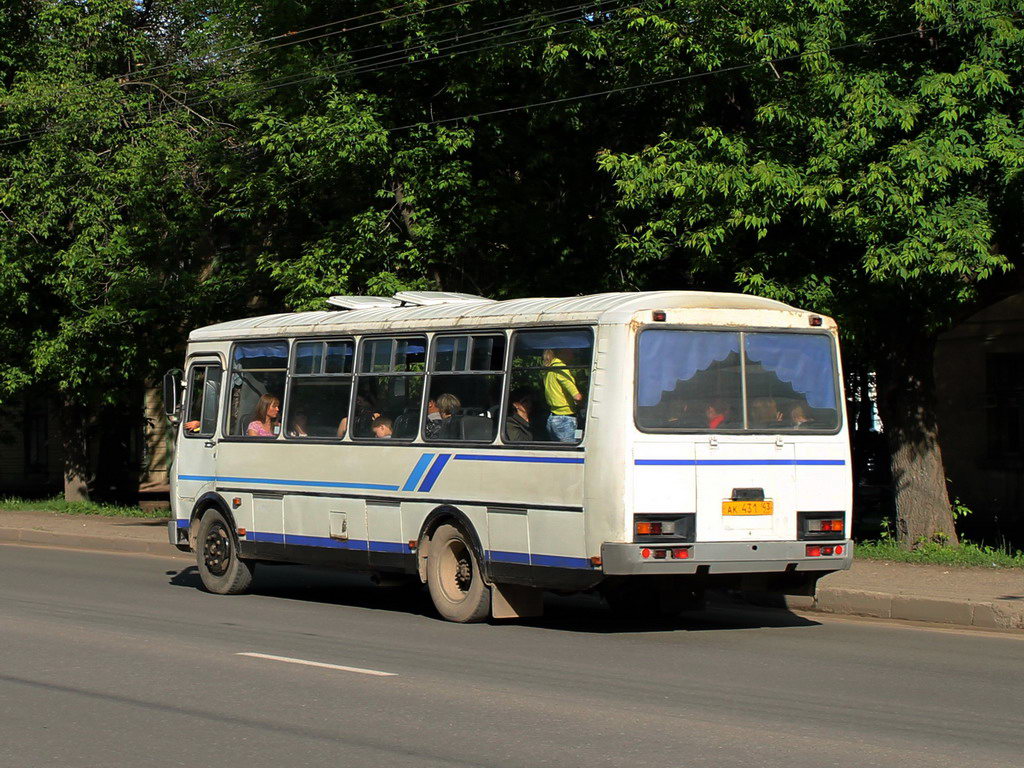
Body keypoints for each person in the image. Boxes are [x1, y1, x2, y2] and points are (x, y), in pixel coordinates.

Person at [543, 348, 583, 442]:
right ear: (562, 352)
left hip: (553, 418)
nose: (573, 354)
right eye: (571, 351)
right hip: (565, 419)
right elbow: (577, 396)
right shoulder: (561, 369)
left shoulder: (548, 368)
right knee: (571, 453)